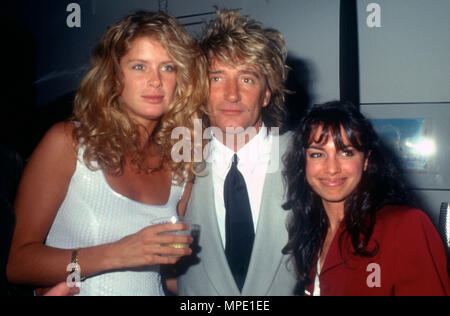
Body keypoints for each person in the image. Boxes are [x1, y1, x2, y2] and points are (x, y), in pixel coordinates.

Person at [7, 11, 208, 296]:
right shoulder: (68, 142)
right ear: (115, 75)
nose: (155, 81)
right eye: (139, 66)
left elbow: (170, 276)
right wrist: (115, 254)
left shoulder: (181, 162)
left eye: (168, 67)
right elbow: (18, 264)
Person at [177, 9, 298, 296]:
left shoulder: (307, 157)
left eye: (247, 79)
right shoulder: (175, 163)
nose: (231, 95)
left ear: (267, 93)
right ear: (200, 90)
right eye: (217, 78)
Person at [282, 101, 450, 296]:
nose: (332, 168)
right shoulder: (311, 231)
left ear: (366, 161)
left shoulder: (405, 225)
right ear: (304, 164)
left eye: (346, 153)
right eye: (317, 154)